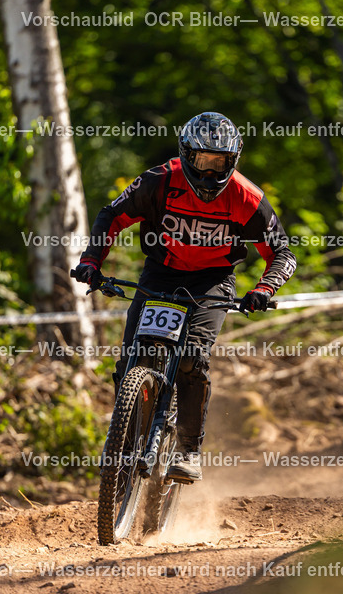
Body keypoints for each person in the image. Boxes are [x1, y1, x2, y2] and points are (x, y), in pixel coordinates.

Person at [72, 112, 297, 482]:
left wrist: (262, 289)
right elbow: (111, 215)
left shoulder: (247, 198)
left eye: (219, 163)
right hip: (161, 272)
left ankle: (190, 450)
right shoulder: (159, 181)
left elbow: (282, 253)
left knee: (192, 359)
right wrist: (91, 262)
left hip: (213, 281)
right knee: (129, 359)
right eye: (202, 162)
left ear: (233, 161)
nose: (210, 173)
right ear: (186, 156)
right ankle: (125, 438)